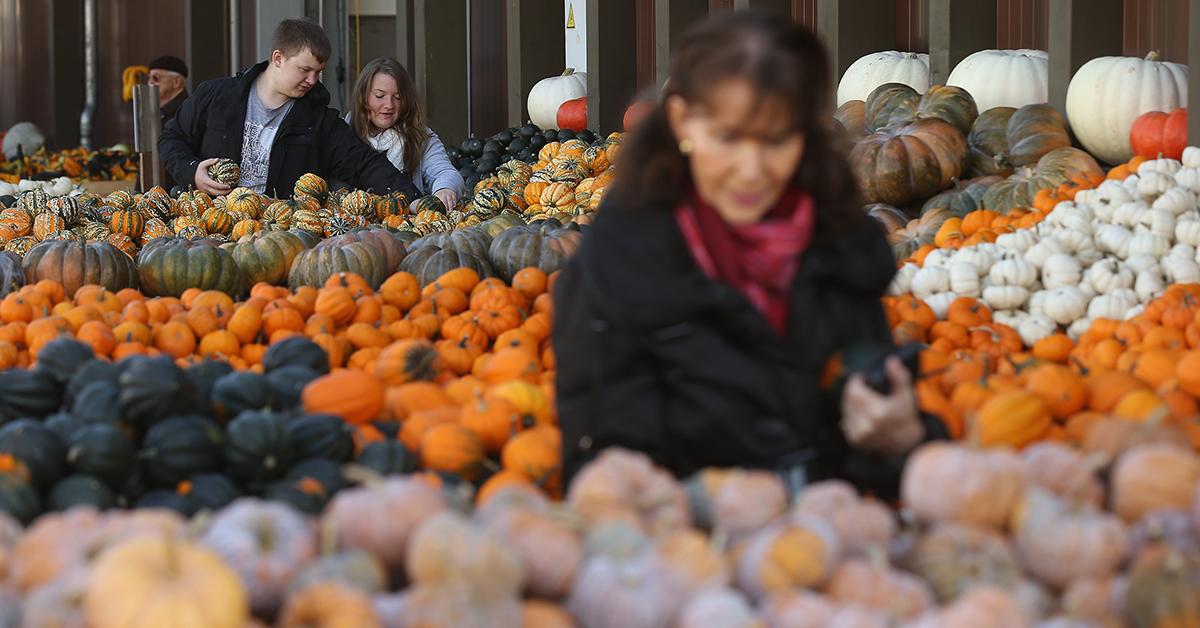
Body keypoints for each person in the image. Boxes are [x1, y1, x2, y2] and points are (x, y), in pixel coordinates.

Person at [552, 12, 946, 499]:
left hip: (829, 548)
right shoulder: (618, 265)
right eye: (729, 137)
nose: (752, 170)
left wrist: (901, 439)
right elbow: (600, 469)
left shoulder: (839, 247)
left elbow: (873, 466)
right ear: (681, 122)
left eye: (777, 140)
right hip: (688, 557)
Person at [159, 18, 419, 200]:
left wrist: (415, 200)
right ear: (278, 59)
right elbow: (172, 138)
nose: (313, 80)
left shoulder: (318, 119)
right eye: (305, 70)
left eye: (318, 72)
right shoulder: (217, 95)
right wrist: (191, 170)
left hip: (282, 236)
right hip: (210, 228)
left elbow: (363, 164)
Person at [346, 57, 465, 208]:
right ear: (363, 97)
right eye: (379, 96)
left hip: (406, 226)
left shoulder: (421, 137)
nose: (389, 105)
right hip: (352, 227)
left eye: (397, 97)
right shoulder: (344, 135)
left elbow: (446, 172)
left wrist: (444, 190)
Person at [148, 55, 190, 125]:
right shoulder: (157, 109)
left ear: (176, 81)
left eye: (156, 77)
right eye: (149, 77)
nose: (150, 82)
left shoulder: (188, 111)